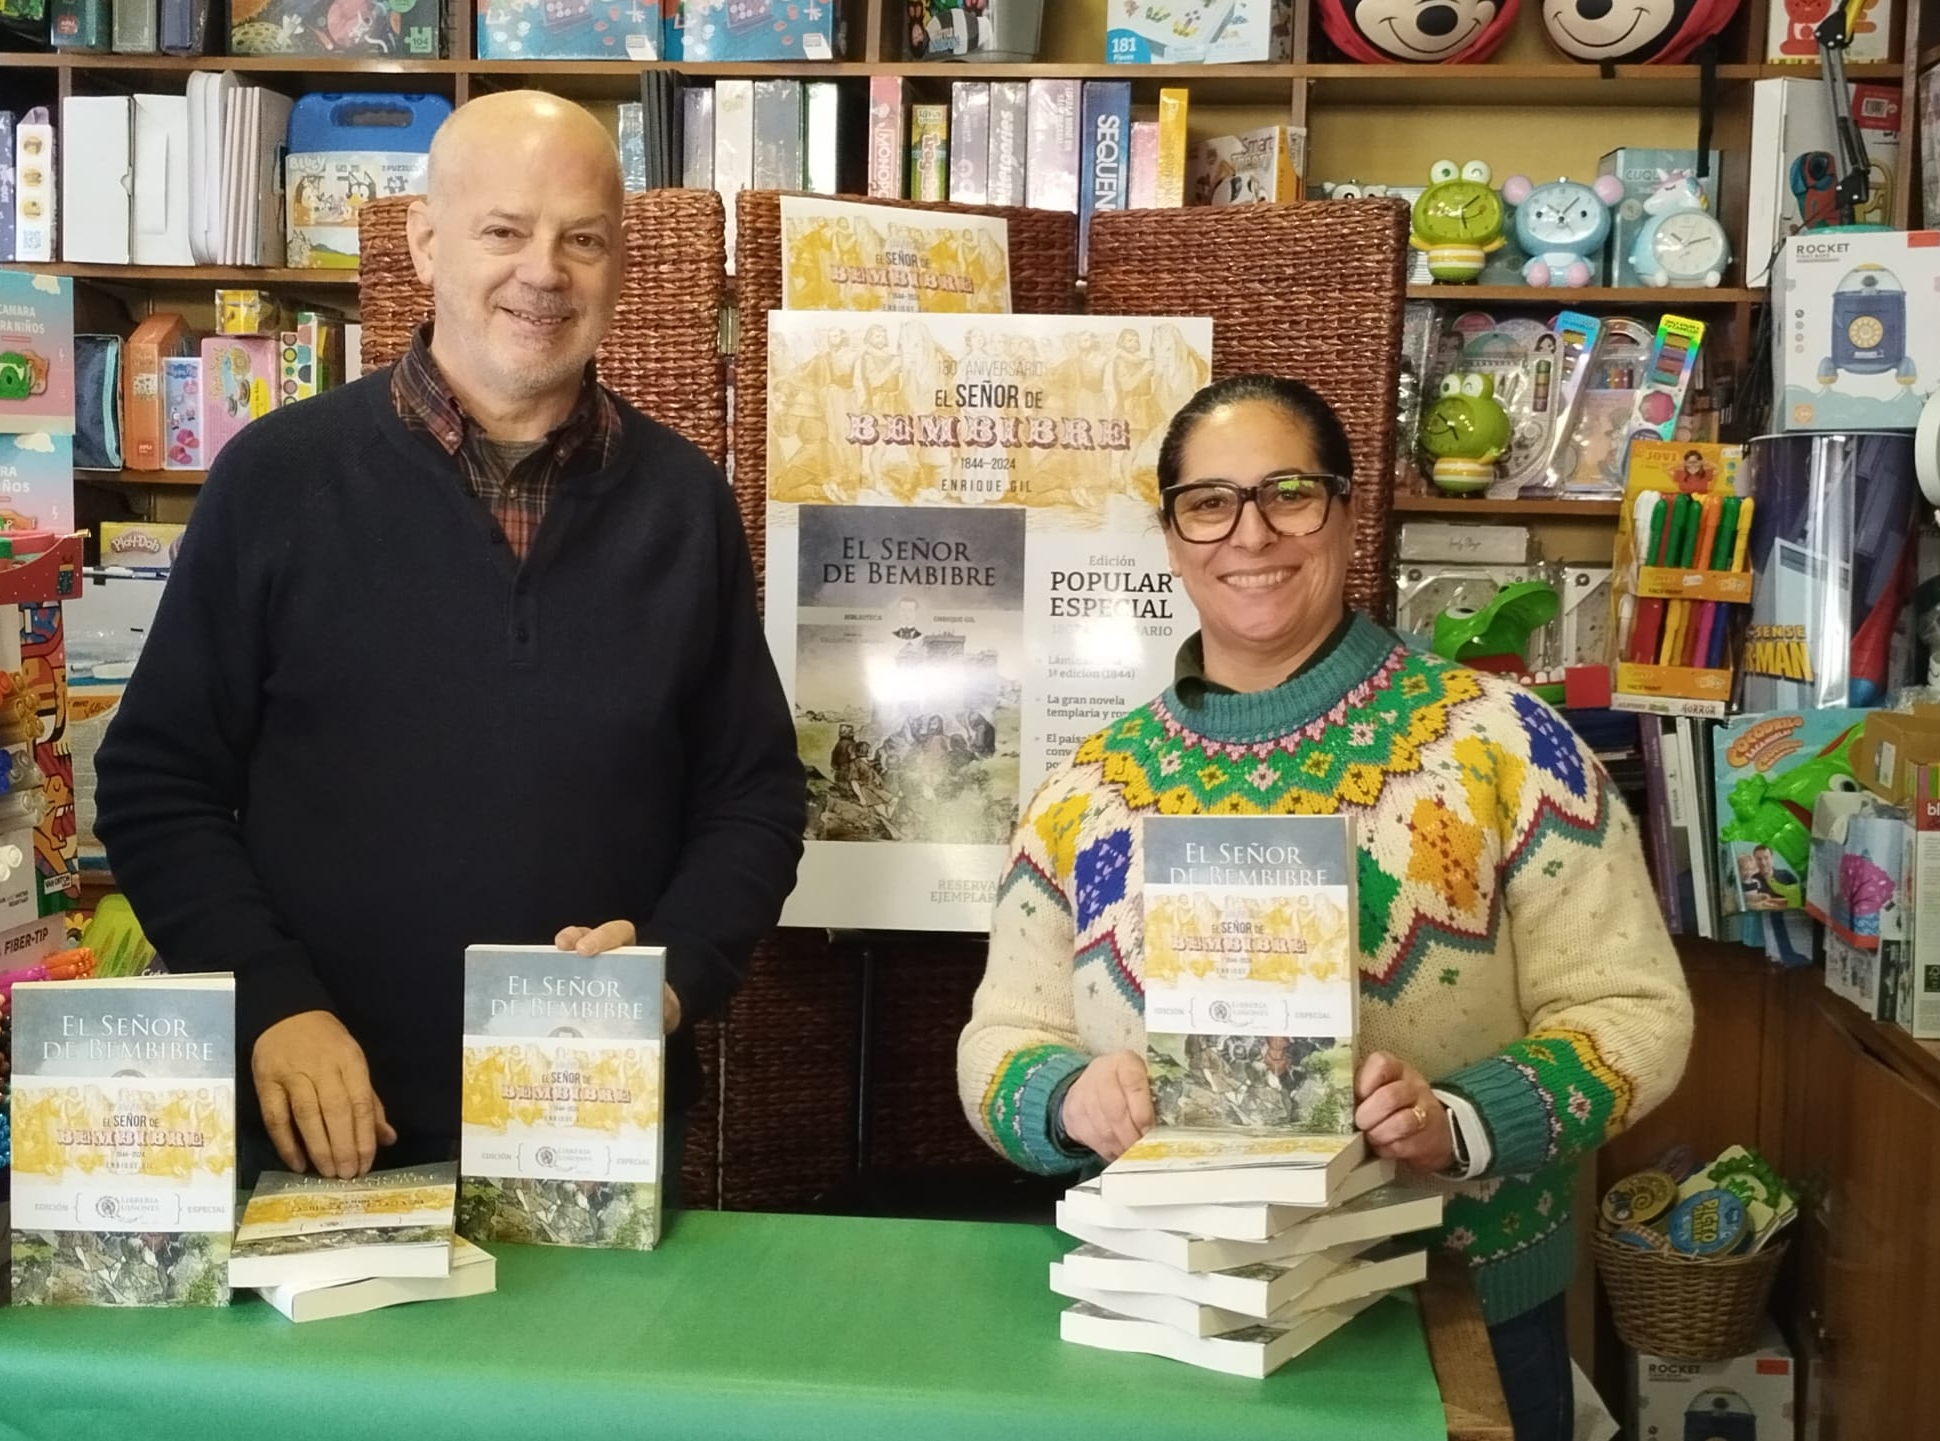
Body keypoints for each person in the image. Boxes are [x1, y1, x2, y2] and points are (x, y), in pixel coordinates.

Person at [94, 91, 806, 1196]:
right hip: (324, 1136)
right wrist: (272, 1000)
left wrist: (670, 974)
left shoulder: (683, 504)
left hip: (594, 1133)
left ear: (620, 265)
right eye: (503, 230)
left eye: (583, 239)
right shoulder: (278, 480)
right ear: (426, 241)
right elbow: (155, 783)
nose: (544, 270)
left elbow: (753, 797)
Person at [957, 374, 1692, 1441]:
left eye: (1288, 493)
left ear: (1348, 510)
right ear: (1171, 536)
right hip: (1168, 1319)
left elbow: (1634, 1012)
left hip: (1453, 1317)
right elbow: (999, 1042)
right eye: (1208, 503)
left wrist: (1460, 1121)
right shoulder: (1086, 792)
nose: (1248, 532)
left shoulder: (1505, 745)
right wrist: (1069, 1100)